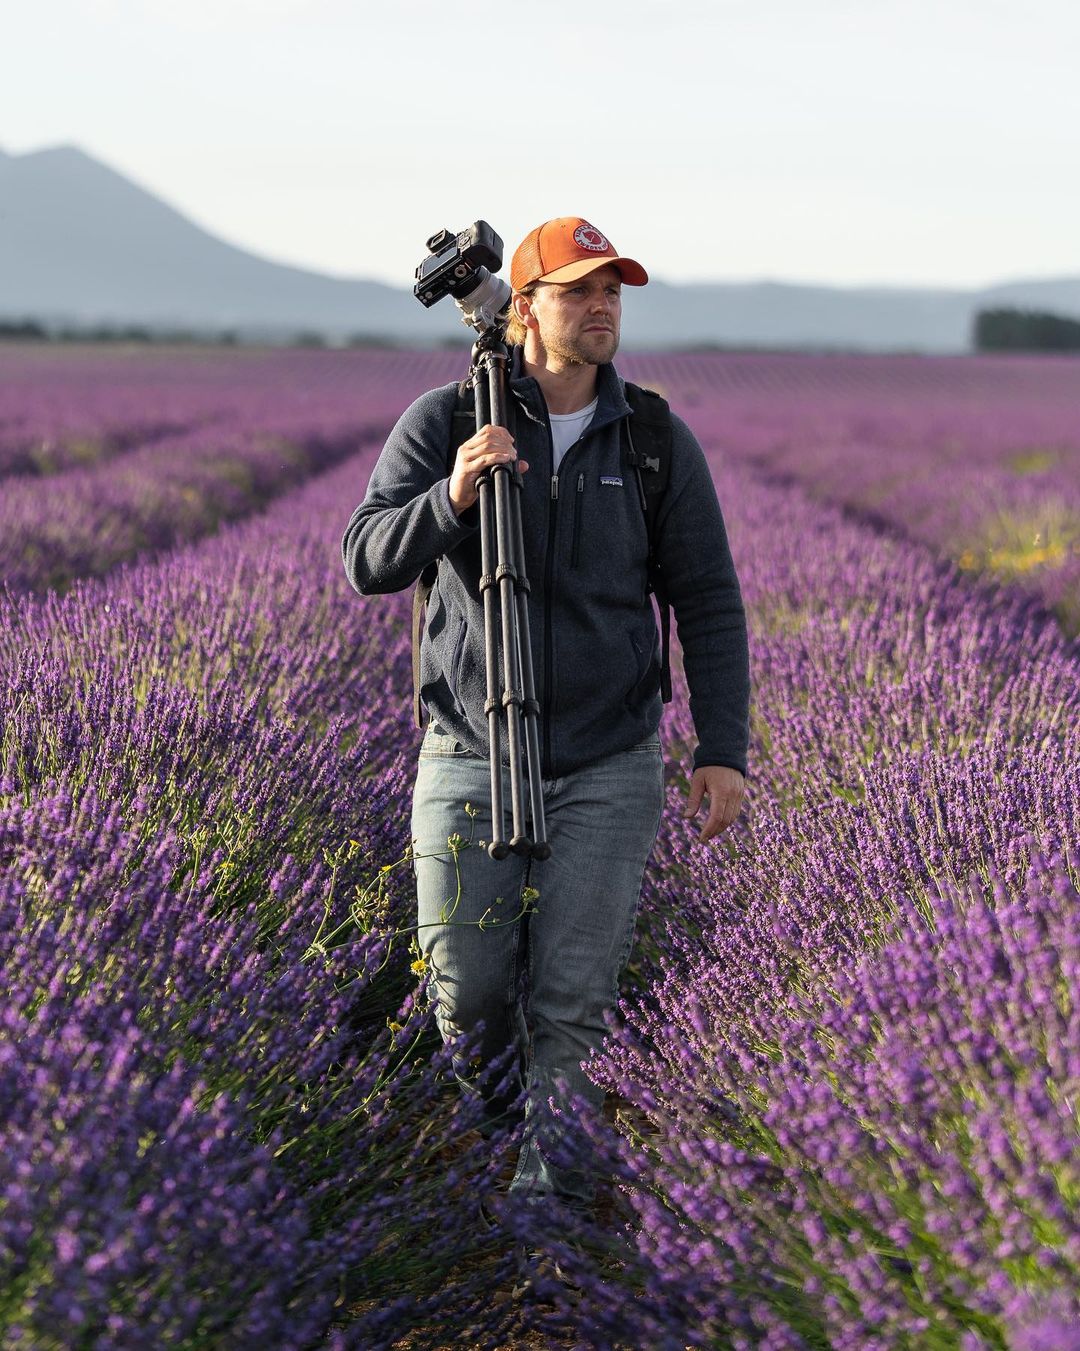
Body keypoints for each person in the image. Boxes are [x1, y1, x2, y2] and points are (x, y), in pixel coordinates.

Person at [341, 217, 750, 1218]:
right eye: (579, 291)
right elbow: (366, 558)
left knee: (575, 998)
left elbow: (707, 596)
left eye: (612, 290)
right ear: (522, 309)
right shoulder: (444, 419)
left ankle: (546, 1202)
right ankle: (502, 1127)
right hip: (472, 753)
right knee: (468, 994)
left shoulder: (651, 437)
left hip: (609, 762)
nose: (602, 307)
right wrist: (452, 493)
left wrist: (722, 748)